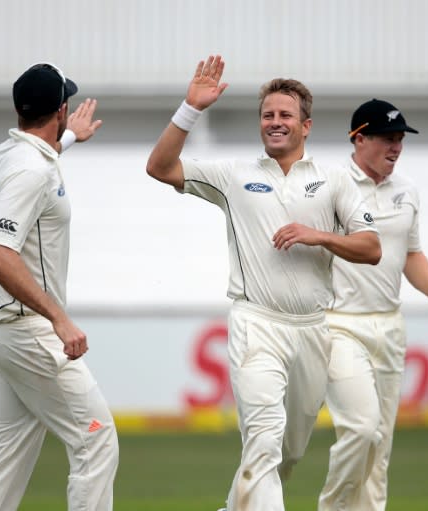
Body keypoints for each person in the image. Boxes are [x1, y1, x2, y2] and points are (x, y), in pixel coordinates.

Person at [145, 55, 381, 511]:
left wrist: (319, 235)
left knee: (287, 454)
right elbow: (159, 167)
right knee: (263, 442)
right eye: (268, 115)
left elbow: (371, 248)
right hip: (257, 323)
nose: (275, 123)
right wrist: (190, 108)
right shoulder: (235, 176)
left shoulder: (334, 181)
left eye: (285, 115)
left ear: (306, 126)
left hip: (312, 329)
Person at [0, 63, 118, 511]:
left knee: (2, 467)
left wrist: (68, 140)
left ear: (18, 109)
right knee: (97, 439)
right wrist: (60, 319)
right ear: (62, 109)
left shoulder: (10, 156)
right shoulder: (29, 170)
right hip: (28, 331)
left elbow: (37, 167)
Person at [317, 99, 428, 511]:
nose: (395, 148)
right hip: (339, 324)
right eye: (386, 139)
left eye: (399, 140)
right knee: (361, 429)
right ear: (359, 139)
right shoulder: (330, 186)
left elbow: (410, 254)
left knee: (381, 446)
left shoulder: (406, 191)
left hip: (389, 325)